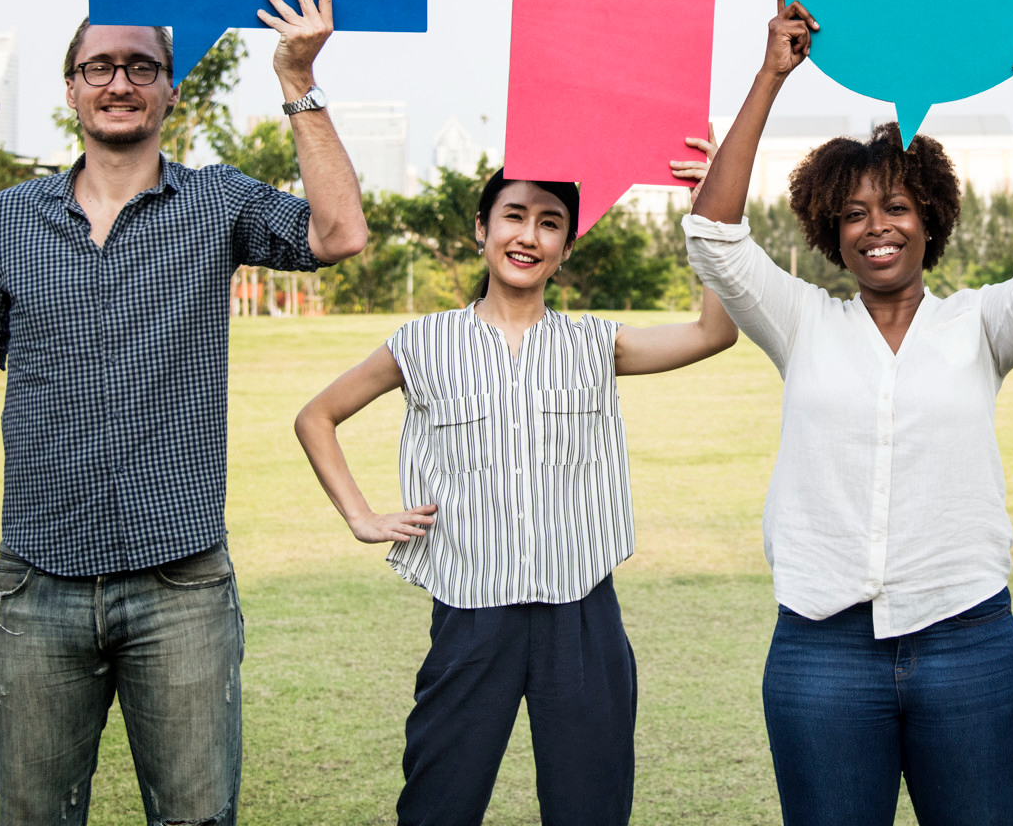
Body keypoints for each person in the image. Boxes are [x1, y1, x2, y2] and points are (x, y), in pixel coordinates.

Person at [0, 0, 369, 826]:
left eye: (141, 67)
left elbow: (339, 233)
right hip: (35, 584)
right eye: (99, 66)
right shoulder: (4, 221)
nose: (120, 82)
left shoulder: (217, 202)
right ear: (72, 87)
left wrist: (298, 80)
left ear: (171, 89)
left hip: (180, 585)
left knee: (196, 817)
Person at [683, 0, 1013, 826]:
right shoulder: (801, 322)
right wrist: (771, 74)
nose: (878, 226)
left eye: (898, 207)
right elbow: (714, 234)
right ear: (830, 232)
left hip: (967, 641)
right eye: (855, 213)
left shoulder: (979, 325)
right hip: (821, 649)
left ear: (931, 219)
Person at [292, 153, 739, 826]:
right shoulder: (423, 343)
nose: (529, 236)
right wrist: (360, 516)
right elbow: (316, 417)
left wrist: (710, 207)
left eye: (550, 223)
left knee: (590, 808)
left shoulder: (595, 344)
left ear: (566, 246)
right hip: (472, 616)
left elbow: (715, 331)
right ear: (482, 229)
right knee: (438, 806)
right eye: (514, 216)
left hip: (583, 617)